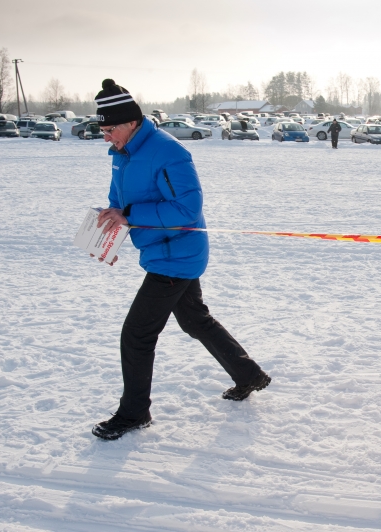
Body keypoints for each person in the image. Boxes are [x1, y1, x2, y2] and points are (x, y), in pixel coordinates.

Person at [90, 79, 271, 441]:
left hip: (176, 253)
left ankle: (134, 412)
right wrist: (112, 230)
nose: (106, 136)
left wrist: (128, 214)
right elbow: (120, 202)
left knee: (137, 335)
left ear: (129, 122)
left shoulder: (167, 153)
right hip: (162, 249)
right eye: (102, 129)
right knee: (195, 319)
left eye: (109, 128)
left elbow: (187, 209)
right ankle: (248, 374)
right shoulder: (123, 154)